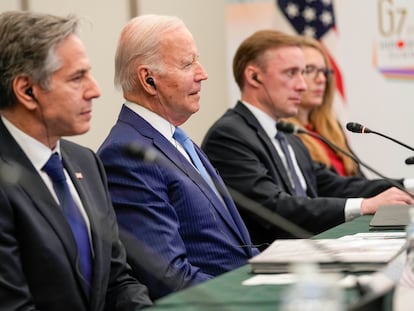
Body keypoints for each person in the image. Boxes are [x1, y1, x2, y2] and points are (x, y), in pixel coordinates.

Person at [97, 14, 259, 300]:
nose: (202, 73)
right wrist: (250, 295)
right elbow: (169, 277)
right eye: (188, 64)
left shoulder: (176, 139)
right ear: (148, 80)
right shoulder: (127, 154)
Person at [201, 30, 414, 247]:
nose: (302, 85)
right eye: (291, 73)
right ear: (254, 76)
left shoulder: (288, 134)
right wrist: (363, 206)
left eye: (303, 73)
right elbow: (273, 207)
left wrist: (408, 185)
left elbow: (334, 186)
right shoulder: (229, 136)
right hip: (269, 262)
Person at [0, 11, 152, 310]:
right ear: (27, 91)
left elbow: (118, 280)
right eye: (77, 77)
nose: (95, 90)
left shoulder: (86, 163)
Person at [283, 36, 363, 177]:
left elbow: (360, 179)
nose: (321, 79)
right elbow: (327, 189)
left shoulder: (331, 127)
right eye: (309, 69)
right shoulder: (286, 133)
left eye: (325, 72)